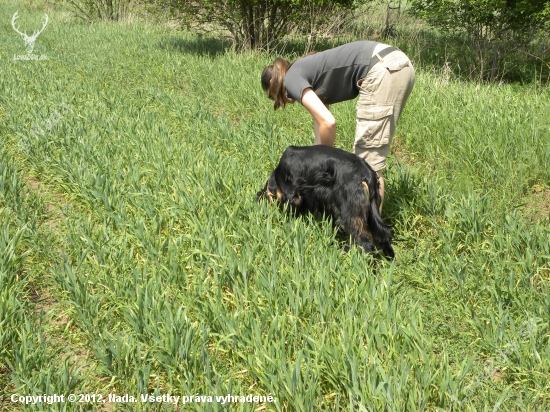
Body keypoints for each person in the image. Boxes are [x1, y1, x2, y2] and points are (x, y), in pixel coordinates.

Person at [261, 41, 415, 212]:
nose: (277, 102)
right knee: (367, 161)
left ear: (272, 81)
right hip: (395, 63)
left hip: (382, 68)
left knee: (368, 165)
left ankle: (368, 231)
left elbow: (329, 122)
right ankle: (366, 222)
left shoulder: (291, 79)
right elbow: (321, 126)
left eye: (271, 97)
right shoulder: (303, 70)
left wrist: (321, 167)